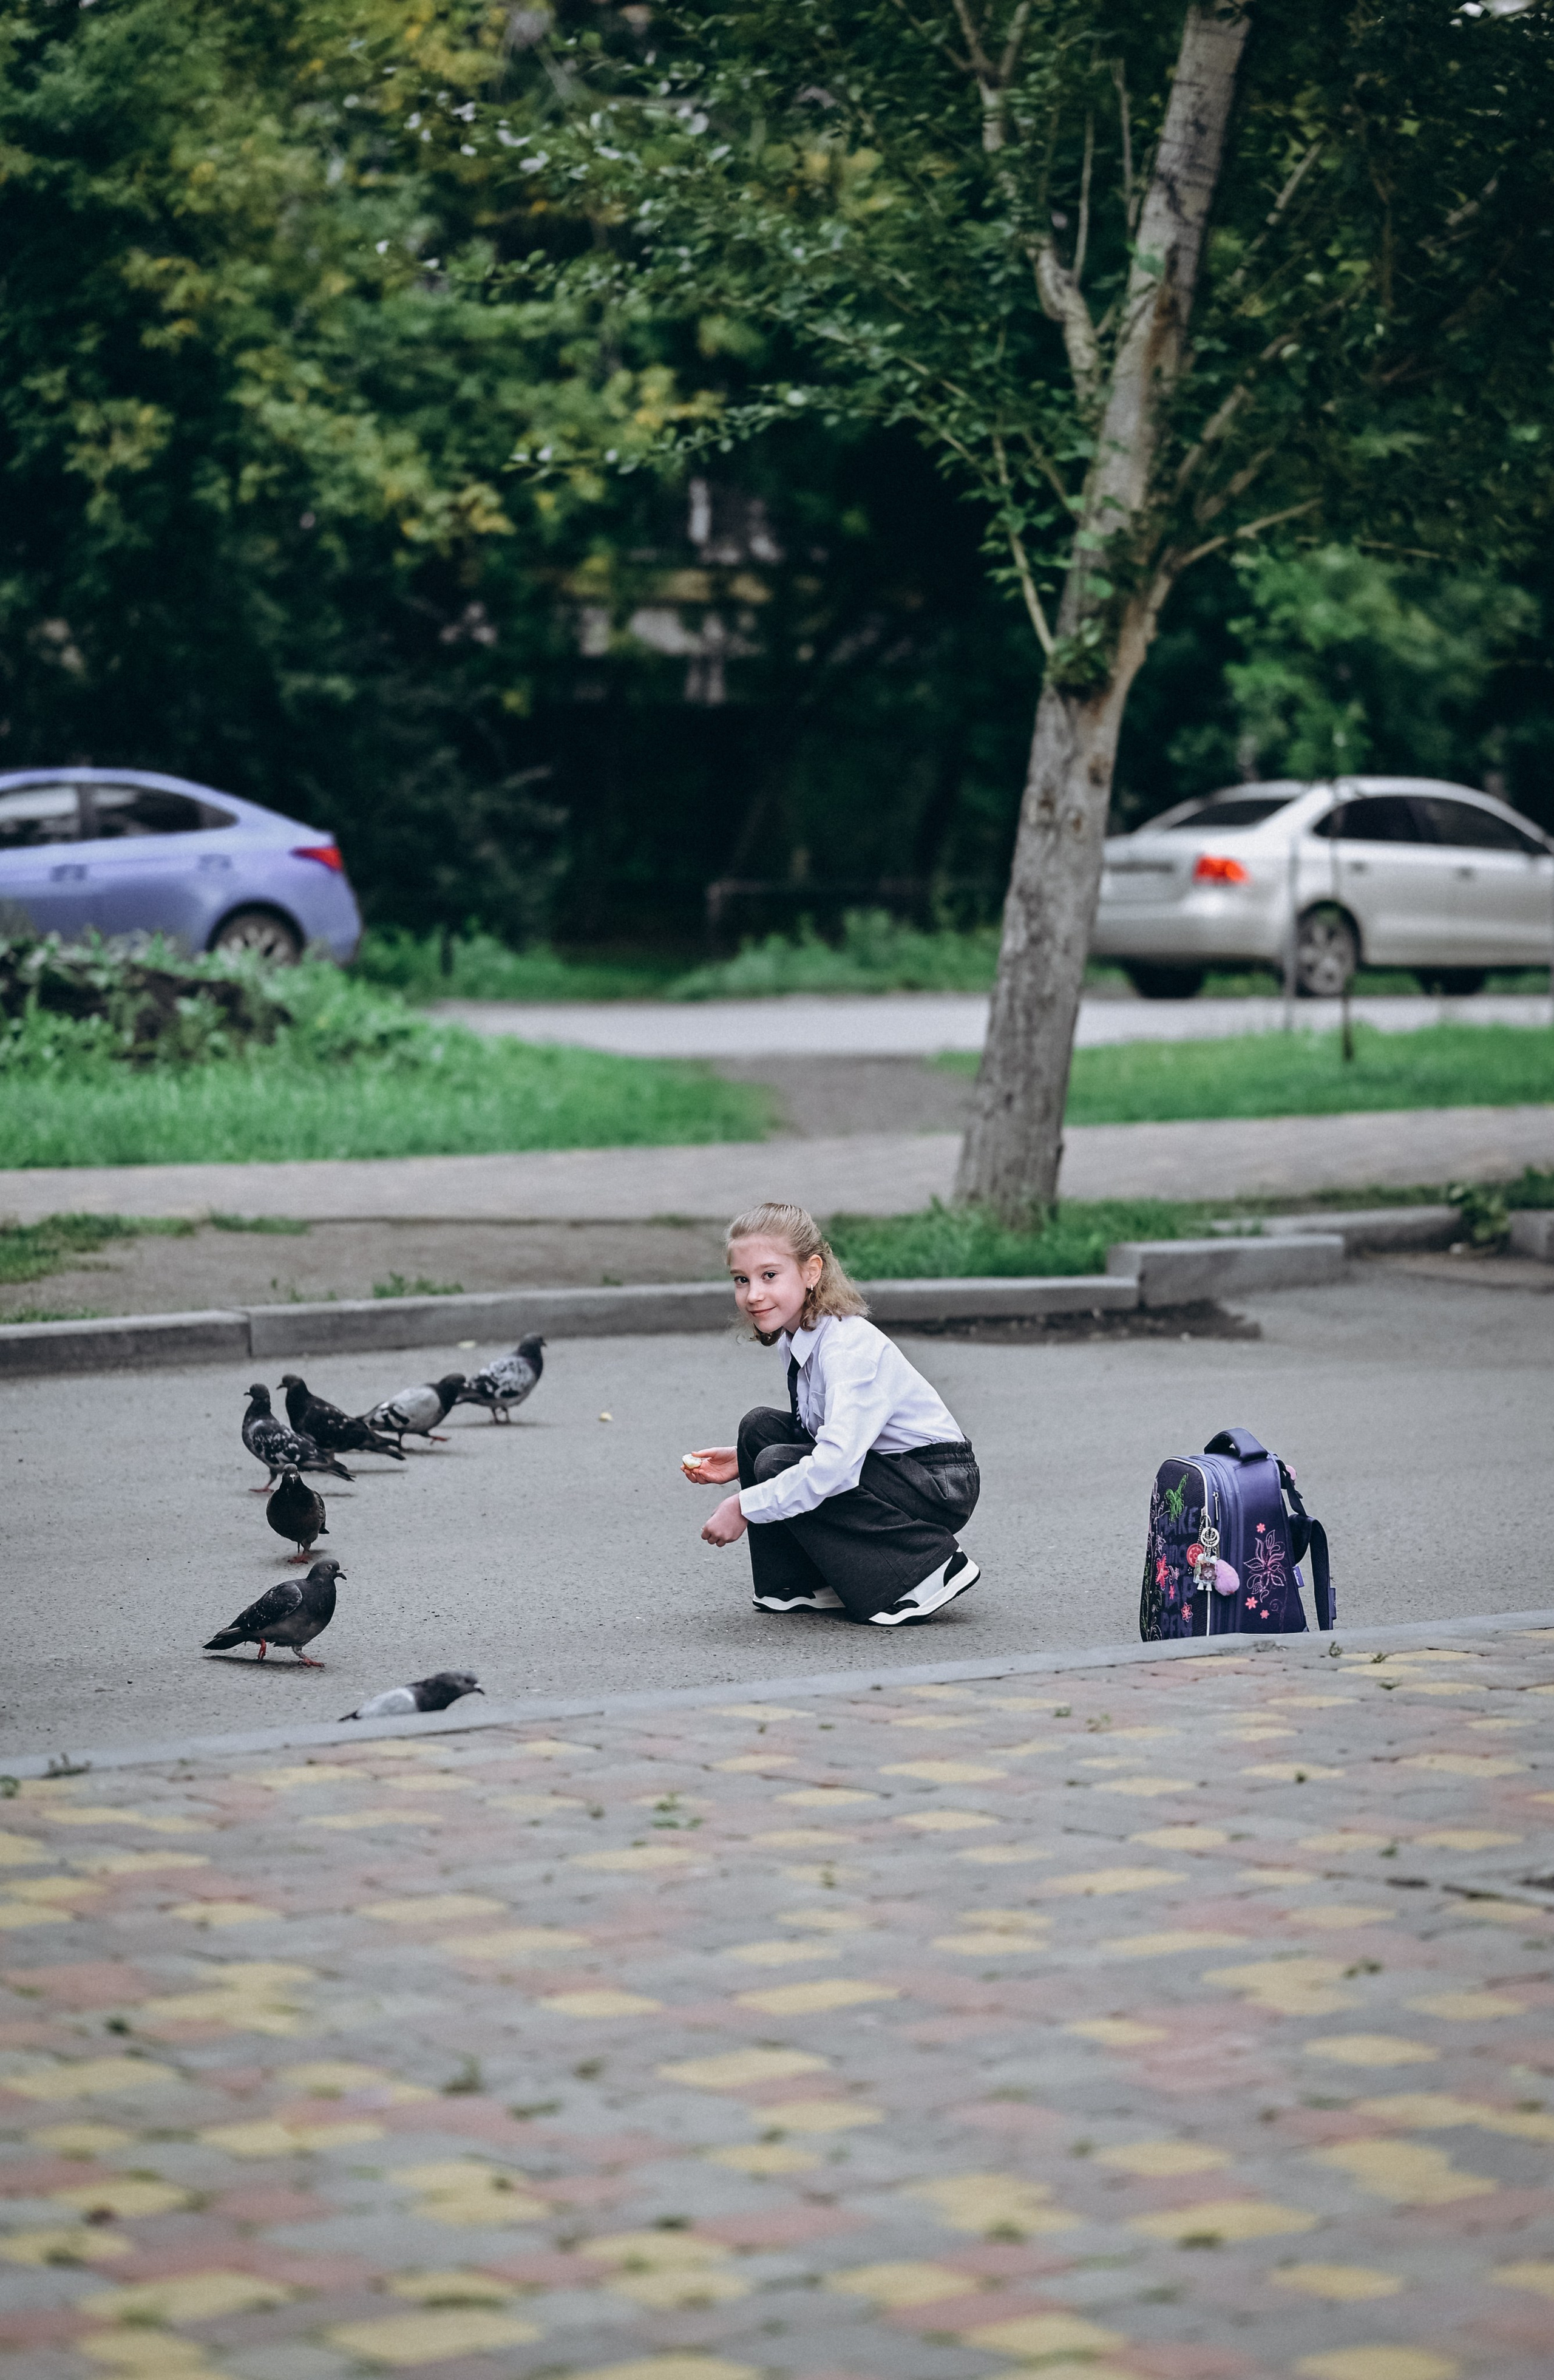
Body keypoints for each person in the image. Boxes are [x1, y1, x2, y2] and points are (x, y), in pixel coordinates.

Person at [681, 1200, 981, 1627]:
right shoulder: (798, 1336)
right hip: (890, 1468)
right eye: (741, 1279)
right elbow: (826, 1433)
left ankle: (926, 1569)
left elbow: (836, 1466)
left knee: (780, 1463)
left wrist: (745, 1506)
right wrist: (741, 1460)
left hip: (939, 1483)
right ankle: (803, 1581)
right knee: (758, 1431)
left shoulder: (846, 1348)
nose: (754, 1294)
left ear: (811, 1272)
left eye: (769, 1275)